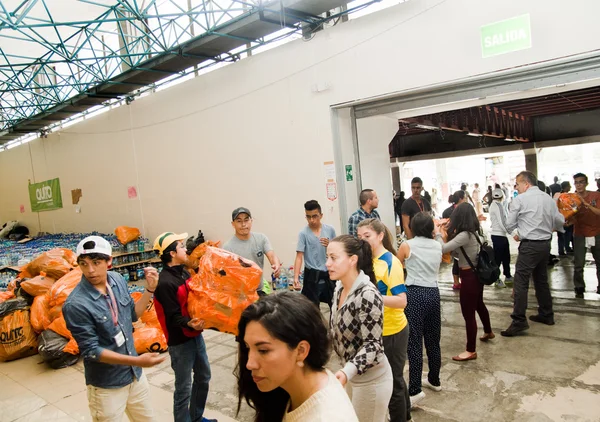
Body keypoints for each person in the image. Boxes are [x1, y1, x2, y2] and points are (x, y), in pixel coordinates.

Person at [63, 236, 166, 422]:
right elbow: (91, 350)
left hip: (135, 377)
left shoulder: (117, 280)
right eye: (84, 264)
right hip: (107, 386)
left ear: (109, 261)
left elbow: (133, 315)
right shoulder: (76, 304)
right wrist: (136, 361)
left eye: (96, 262)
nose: (91, 270)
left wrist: (150, 290)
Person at [236, 291, 359, 422]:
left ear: (301, 351)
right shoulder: (291, 389)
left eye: (263, 350)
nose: (250, 364)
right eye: (248, 348)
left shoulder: (326, 416)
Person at [327, 235, 393, 422]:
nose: (327, 264)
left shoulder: (368, 295)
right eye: (327, 257)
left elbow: (373, 346)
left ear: (352, 260)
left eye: (333, 258)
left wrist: (347, 371)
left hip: (372, 381)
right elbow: (335, 330)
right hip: (351, 376)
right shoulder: (339, 288)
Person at [152, 232, 216, 422]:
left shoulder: (183, 272)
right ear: (172, 253)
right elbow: (172, 317)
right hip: (180, 342)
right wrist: (188, 322)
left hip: (195, 334)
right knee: (183, 387)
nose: (185, 248)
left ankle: (196, 417)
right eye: (181, 246)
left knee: (203, 376)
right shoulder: (164, 282)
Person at [357, 219, 410, 422]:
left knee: (392, 383)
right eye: (359, 237)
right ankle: (406, 415)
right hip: (376, 330)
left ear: (380, 236)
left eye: (367, 236)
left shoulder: (391, 262)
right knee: (395, 379)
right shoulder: (366, 260)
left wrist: (372, 296)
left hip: (393, 330)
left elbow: (401, 301)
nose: (362, 241)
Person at [501, 171, 565, 336]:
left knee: (521, 282)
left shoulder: (520, 199)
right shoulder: (548, 199)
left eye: (517, 184)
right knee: (541, 280)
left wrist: (517, 233)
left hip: (529, 246)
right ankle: (546, 314)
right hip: (545, 245)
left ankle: (519, 320)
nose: (516, 188)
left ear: (526, 183)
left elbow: (508, 224)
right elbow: (560, 221)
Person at [435, 203, 494, 361]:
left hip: (469, 277)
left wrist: (439, 233)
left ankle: (470, 350)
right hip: (477, 275)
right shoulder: (476, 232)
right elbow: (458, 252)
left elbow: (443, 249)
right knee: (479, 304)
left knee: (468, 314)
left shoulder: (464, 235)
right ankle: (488, 331)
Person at [396, 212, 442, 409]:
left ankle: (415, 390)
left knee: (414, 343)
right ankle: (434, 379)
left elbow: (397, 266)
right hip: (434, 293)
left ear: (413, 227)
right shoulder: (437, 245)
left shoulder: (408, 245)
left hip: (414, 294)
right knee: (433, 340)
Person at [223, 207, 282, 295]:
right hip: (240, 294)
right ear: (233, 224)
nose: (243, 224)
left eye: (246, 220)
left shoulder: (261, 238)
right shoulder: (228, 248)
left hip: (259, 290)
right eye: (239, 221)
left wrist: (276, 265)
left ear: (251, 221)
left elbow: (272, 255)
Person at [293, 200, 337, 308]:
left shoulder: (330, 230)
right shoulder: (304, 233)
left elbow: (338, 252)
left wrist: (330, 245)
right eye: (308, 217)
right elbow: (299, 256)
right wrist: (296, 278)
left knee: (335, 304)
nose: (312, 220)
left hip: (329, 273)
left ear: (321, 216)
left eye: (315, 216)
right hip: (312, 275)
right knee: (311, 308)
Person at [570, 173, 600, 298]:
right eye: (576, 182)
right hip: (579, 233)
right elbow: (570, 219)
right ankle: (579, 286)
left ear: (586, 183)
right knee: (578, 263)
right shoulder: (571, 198)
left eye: (581, 182)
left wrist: (585, 203)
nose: (579, 184)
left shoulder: (596, 195)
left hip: (597, 232)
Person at [442, 191, 467, 290]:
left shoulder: (447, 211)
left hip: (450, 238)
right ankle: (461, 281)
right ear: (461, 198)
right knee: (461, 260)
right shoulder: (463, 210)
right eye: (465, 197)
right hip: (460, 238)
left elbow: (444, 224)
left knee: (456, 260)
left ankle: (456, 282)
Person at [489, 189, 512, 288]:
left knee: (504, 257)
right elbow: (502, 222)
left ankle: (507, 276)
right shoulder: (498, 206)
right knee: (499, 259)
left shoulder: (493, 205)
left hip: (498, 235)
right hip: (500, 236)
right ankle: (497, 279)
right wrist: (512, 232)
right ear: (502, 196)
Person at [554, 181, 574, 256]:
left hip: (559, 219)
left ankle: (561, 251)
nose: (570, 187)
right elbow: (573, 208)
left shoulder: (557, 195)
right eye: (569, 186)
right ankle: (567, 248)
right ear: (566, 187)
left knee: (561, 236)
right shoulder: (567, 196)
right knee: (567, 235)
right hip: (567, 219)